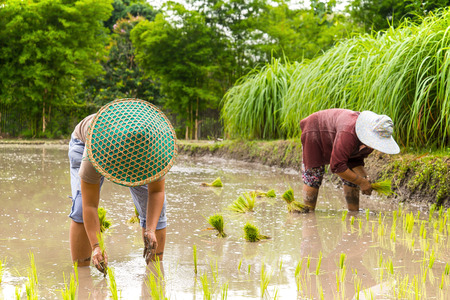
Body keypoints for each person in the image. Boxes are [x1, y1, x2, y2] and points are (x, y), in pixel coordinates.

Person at [68, 98, 178, 274]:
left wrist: (150, 229)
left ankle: (154, 274)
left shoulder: (157, 148)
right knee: (80, 207)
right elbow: (90, 205)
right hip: (85, 143)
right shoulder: (94, 150)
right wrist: (96, 246)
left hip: (141, 149)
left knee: (157, 213)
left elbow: (156, 192)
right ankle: (82, 275)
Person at [299, 109, 400, 211]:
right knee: (314, 175)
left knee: (352, 176)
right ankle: (309, 214)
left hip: (336, 137)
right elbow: (337, 166)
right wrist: (362, 182)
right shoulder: (348, 133)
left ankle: (353, 213)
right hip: (314, 131)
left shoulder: (368, 143)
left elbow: (355, 160)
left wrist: (364, 177)